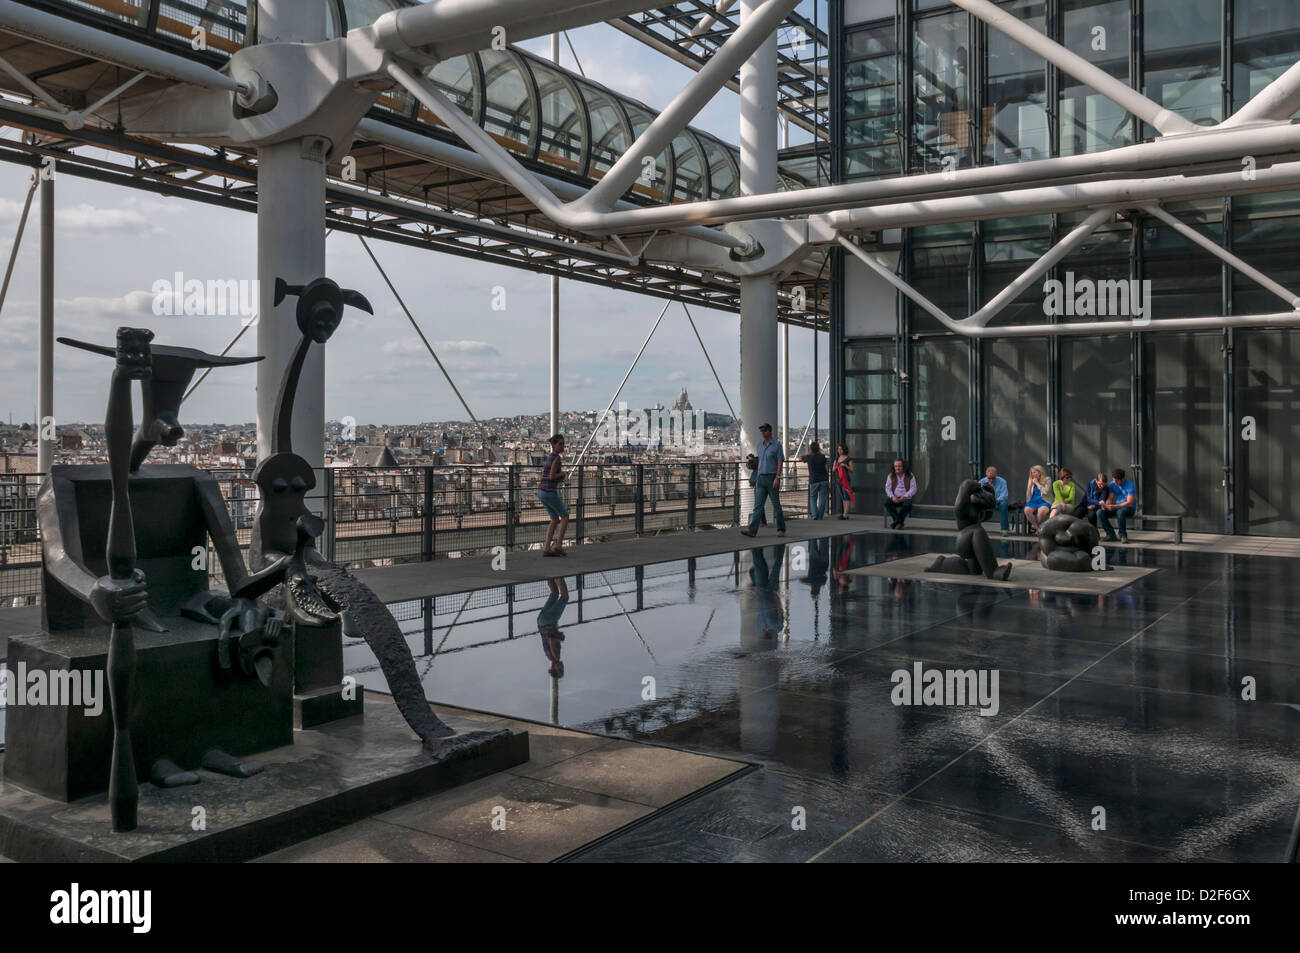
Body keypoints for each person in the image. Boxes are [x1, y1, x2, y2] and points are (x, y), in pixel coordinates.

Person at [740, 423, 786, 538]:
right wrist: (759, 474)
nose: (763, 433)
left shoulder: (777, 445)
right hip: (761, 478)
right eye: (761, 431)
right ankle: (752, 530)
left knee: (776, 505)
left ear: (770, 431)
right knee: (758, 506)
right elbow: (760, 460)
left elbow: (780, 462)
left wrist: (777, 477)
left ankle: (781, 529)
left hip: (772, 477)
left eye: (765, 430)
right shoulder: (759, 445)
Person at [537, 434, 569, 556]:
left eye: (563, 444)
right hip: (549, 492)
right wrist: (562, 474)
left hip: (541, 491)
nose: (562, 446)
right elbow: (552, 476)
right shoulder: (556, 458)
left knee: (555, 519)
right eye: (560, 444)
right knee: (565, 516)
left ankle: (546, 548)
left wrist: (559, 476)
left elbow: (548, 475)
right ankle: (559, 545)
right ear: (554, 445)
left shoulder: (548, 457)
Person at [1099, 467, 1137, 542]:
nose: (1115, 483)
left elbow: (1129, 503)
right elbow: (1110, 498)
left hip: (1129, 508)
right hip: (1117, 507)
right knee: (1100, 512)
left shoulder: (1130, 485)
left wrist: (1115, 506)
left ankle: (1123, 535)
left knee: (1121, 512)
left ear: (1123, 479)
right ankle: (1110, 534)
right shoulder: (1113, 484)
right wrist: (1107, 505)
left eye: (1117, 481)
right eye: (1114, 480)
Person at [884, 458, 917, 529]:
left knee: (908, 504)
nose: (897, 468)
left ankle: (897, 522)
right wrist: (892, 497)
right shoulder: (891, 475)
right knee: (887, 503)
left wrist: (905, 496)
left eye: (899, 466)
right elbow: (887, 488)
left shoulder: (910, 475)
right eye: (895, 466)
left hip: (905, 498)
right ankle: (899, 521)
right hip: (894, 498)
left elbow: (913, 489)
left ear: (903, 467)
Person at [800, 441, 830, 519]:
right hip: (824, 479)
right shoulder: (822, 457)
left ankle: (814, 514)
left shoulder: (809, 457)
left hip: (814, 480)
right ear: (818, 449)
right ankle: (820, 515)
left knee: (813, 498)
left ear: (811, 449)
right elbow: (826, 462)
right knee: (822, 499)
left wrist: (808, 453)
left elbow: (800, 457)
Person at [979, 465, 1009, 535]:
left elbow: (1005, 495)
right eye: (989, 478)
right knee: (975, 504)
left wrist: (997, 500)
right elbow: (978, 494)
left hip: (997, 503)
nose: (991, 480)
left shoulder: (1002, 481)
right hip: (986, 503)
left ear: (996, 475)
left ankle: (1004, 530)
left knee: (1004, 504)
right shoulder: (982, 482)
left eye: (993, 478)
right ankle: (976, 528)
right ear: (986, 475)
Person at [1023, 464, 1051, 533]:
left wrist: (1037, 483)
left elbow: (1045, 492)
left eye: (1034, 472)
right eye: (1032, 473)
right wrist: (1028, 503)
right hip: (1034, 501)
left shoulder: (1047, 479)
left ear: (1040, 472)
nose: (1033, 474)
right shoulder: (1031, 480)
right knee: (1027, 510)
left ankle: (1035, 527)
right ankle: (1038, 528)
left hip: (1044, 500)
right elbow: (1028, 493)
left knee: (1041, 512)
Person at [832, 443, 854, 519]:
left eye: (840, 449)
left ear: (844, 449)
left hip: (845, 480)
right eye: (838, 449)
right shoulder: (837, 458)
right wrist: (836, 467)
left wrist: (845, 466)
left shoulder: (848, 459)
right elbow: (833, 469)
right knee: (843, 497)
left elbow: (851, 469)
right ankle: (845, 513)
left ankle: (845, 514)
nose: (839, 450)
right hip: (839, 480)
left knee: (847, 497)